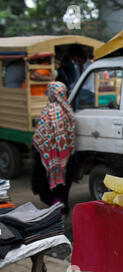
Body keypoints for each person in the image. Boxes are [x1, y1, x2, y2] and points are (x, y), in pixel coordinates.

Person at [31, 82, 76, 219]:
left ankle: (55, 204)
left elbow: (40, 135)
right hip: (66, 156)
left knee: (41, 181)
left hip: (49, 155)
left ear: (51, 93)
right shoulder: (68, 109)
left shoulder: (49, 110)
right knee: (64, 184)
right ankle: (62, 209)